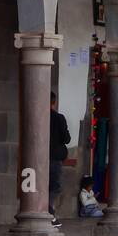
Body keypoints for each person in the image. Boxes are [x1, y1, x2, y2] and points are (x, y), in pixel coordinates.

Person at [48, 92, 70, 228]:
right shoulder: (58, 118)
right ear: (54, 102)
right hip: (54, 158)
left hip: (37, 158)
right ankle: (49, 213)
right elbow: (66, 139)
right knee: (54, 187)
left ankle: (48, 213)